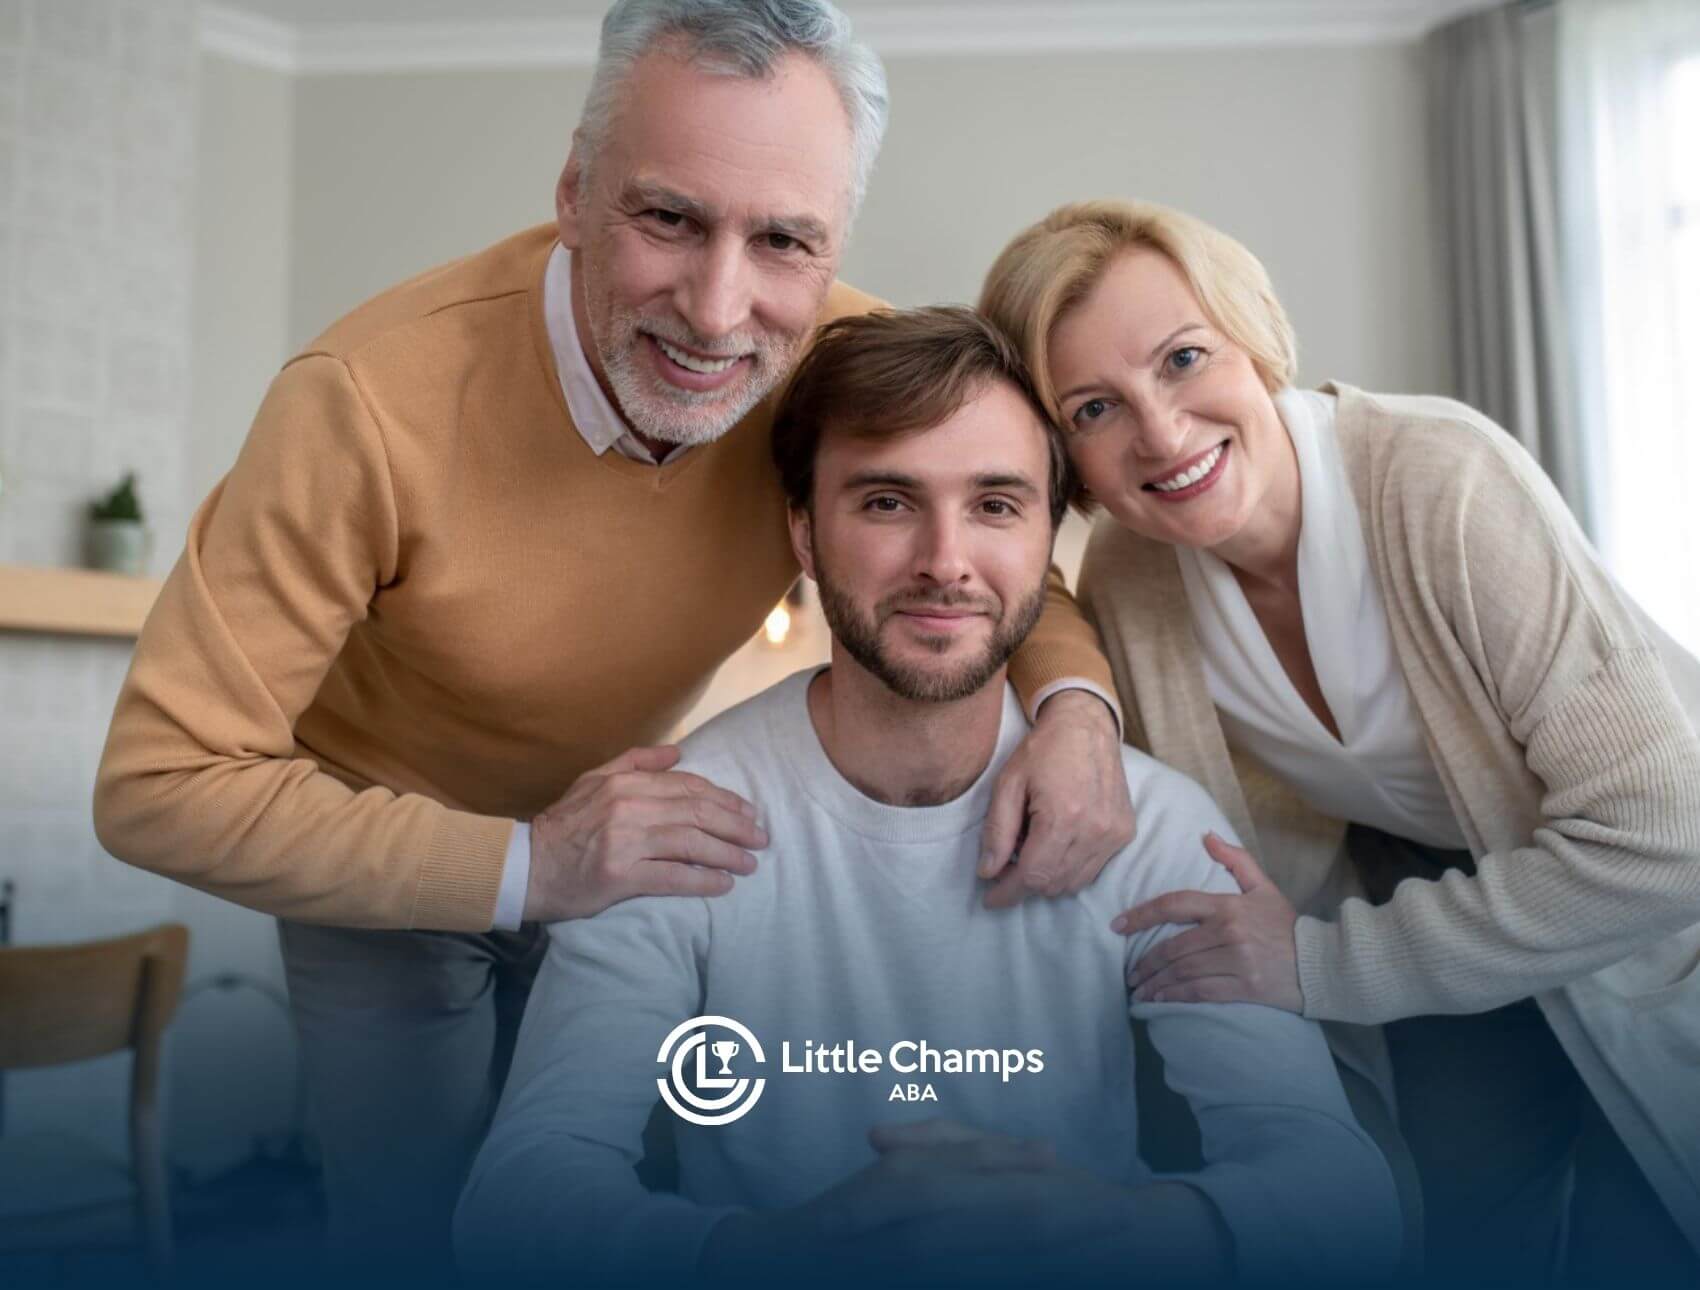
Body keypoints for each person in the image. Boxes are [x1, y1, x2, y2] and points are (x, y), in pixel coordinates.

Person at [90, 2, 1135, 1271]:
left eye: (783, 240)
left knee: (613, 1209)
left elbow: (986, 556)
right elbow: (157, 785)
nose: (717, 309)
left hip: (627, 841)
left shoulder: (830, 363)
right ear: (575, 193)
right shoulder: (360, 404)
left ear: (831, 243)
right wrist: (529, 862)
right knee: (419, 1236)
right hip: (382, 853)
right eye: (668, 218)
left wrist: (1077, 714)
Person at [454, 306, 1402, 1288]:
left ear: (1046, 535)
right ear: (804, 533)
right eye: (886, 502)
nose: (944, 562)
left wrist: (1113, 1233)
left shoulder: (1147, 825)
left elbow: (1346, 1202)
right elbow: (516, 1204)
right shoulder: (676, 826)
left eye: (995, 505)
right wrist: (776, 1256)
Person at [978, 198, 1700, 1285]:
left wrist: (1321, 963)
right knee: (1458, 1238)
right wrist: (1074, 709)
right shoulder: (1133, 570)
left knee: (1637, 1243)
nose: (1161, 434)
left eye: (1183, 358)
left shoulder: (1440, 480)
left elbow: (1668, 838)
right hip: (1435, 903)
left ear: (1254, 333)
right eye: (1094, 408)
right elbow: (1026, 587)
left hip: (1653, 913)